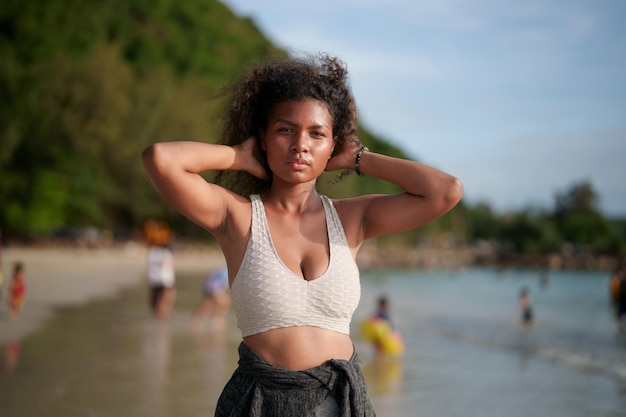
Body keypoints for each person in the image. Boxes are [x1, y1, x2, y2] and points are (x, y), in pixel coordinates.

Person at [142, 53, 463, 416]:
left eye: (317, 133)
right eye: (285, 130)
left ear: (333, 144)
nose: (300, 145)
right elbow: (160, 159)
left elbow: (446, 191)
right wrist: (237, 156)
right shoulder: (238, 216)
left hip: (342, 404)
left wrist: (359, 158)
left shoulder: (352, 219)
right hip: (261, 402)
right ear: (263, 137)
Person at [191, 265, 231, 330]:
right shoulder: (226, 271)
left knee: (211, 303)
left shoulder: (225, 270)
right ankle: (217, 320)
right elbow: (227, 286)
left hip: (210, 285)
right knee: (223, 301)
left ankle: (198, 319)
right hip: (212, 286)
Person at [146, 243, 176, 319]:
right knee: (166, 299)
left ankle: (157, 317)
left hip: (153, 278)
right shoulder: (166, 253)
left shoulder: (152, 251)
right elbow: (170, 264)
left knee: (156, 300)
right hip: (165, 279)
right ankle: (162, 317)